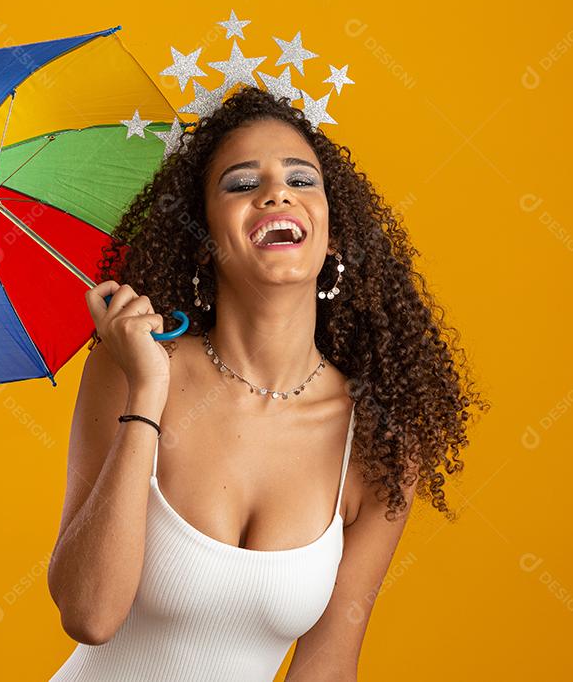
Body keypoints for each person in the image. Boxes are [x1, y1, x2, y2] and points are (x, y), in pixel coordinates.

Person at [47, 86, 487, 681]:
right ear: (202, 241)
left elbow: (327, 666)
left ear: (333, 233)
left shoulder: (380, 443)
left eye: (302, 180)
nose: (276, 192)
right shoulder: (130, 366)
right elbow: (88, 614)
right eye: (241, 183)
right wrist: (147, 395)